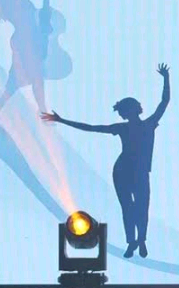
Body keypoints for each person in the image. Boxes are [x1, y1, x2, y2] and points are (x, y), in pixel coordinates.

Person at [41, 64, 170, 258]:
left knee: (141, 207)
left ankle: (141, 240)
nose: (127, 114)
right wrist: (62, 120)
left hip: (139, 171)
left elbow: (164, 102)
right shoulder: (127, 127)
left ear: (134, 110)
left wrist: (166, 78)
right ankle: (132, 242)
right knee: (129, 208)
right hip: (123, 171)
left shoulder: (147, 124)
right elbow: (92, 128)